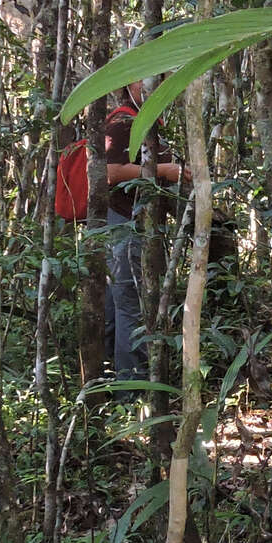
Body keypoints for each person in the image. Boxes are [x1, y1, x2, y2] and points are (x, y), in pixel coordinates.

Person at [103, 79, 188, 380]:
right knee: (129, 303)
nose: (156, 85)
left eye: (163, 79)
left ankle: (112, 379)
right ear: (129, 85)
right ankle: (132, 389)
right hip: (123, 223)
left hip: (137, 222)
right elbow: (112, 172)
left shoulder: (150, 121)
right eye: (147, 80)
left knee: (120, 303)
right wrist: (164, 171)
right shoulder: (123, 122)